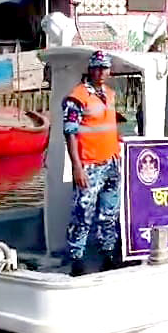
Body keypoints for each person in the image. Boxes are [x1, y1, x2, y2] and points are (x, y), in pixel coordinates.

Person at [63, 50, 122, 276]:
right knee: (83, 213)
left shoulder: (110, 93)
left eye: (105, 68)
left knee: (109, 212)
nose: (101, 72)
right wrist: (76, 166)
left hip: (111, 162)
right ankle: (76, 258)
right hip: (88, 164)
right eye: (97, 68)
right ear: (90, 69)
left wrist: (117, 144)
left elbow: (110, 124)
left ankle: (108, 254)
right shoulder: (77, 96)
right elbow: (70, 133)